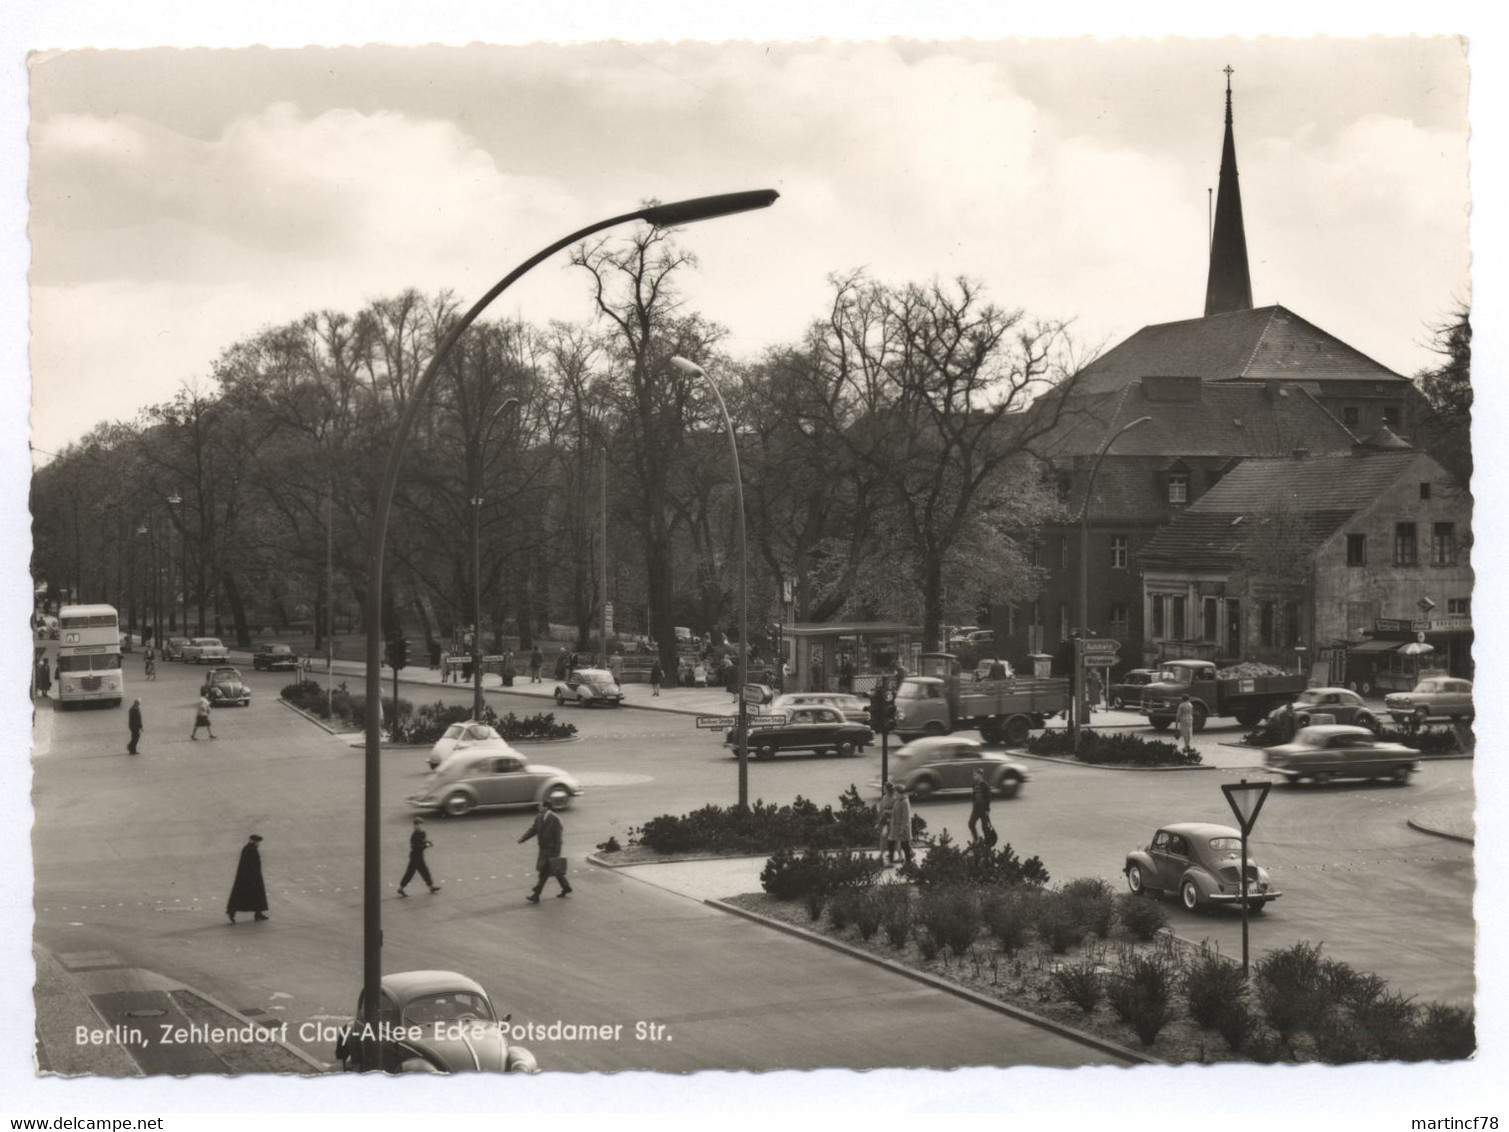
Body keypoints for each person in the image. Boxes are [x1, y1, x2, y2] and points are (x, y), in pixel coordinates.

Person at [519, 798, 572, 902]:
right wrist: (523, 838)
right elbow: (533, 829)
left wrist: (557, 854)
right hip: (543, 849)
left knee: (544, 872)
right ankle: (566, 887)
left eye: (540, 806)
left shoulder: (555, 819)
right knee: (555, 872)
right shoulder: (539, 817)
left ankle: (536, 894)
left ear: (546, 807)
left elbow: (558, 838)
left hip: (551, 850)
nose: (538, 807)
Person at [226, 834, 269, 923]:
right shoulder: (251, 850)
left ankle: (256, 913)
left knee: (244, 895)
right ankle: (257, 913)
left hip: (247, 877)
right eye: (258, 842)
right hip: (251, 877)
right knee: (256, 894)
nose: (259, 844)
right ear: (255, 842)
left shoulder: (248, 849)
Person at [397, 817, 441, 896]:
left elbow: (423, 842)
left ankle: (401, 888)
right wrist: (426, 845)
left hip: (419, 857)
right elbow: (416, 847)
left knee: (421, 872)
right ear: (414, 826)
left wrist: (428, 842)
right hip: (415, 857)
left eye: (420, 824)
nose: (418, 826)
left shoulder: (423, 833)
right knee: (413, 873)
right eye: (417, 825)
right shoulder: (414, 836)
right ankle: (430, 886)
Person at [968, 769, 996, 845]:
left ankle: (987, 842)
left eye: (975, 775)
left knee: (985, 827)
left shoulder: (985, 785)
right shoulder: (974, 784)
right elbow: (974, 795)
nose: (973, 777)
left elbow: (988, 798)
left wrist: (987, 809)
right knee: (971, 823)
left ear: (980, 775)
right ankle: (976, 839)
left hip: (983, 809)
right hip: (976, 809)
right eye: (973, 775)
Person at [890, 785, 916, 866]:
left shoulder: (905, 802)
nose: (895, 794)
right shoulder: (898, 801)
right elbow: (895, 811)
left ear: (900, 793)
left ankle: (908, 861)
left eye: (896, 793)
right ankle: (907, 859)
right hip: (897, 826)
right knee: (902, 844)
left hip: (903, 827)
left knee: (905, 845)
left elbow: (906, 817)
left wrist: (902, 828)